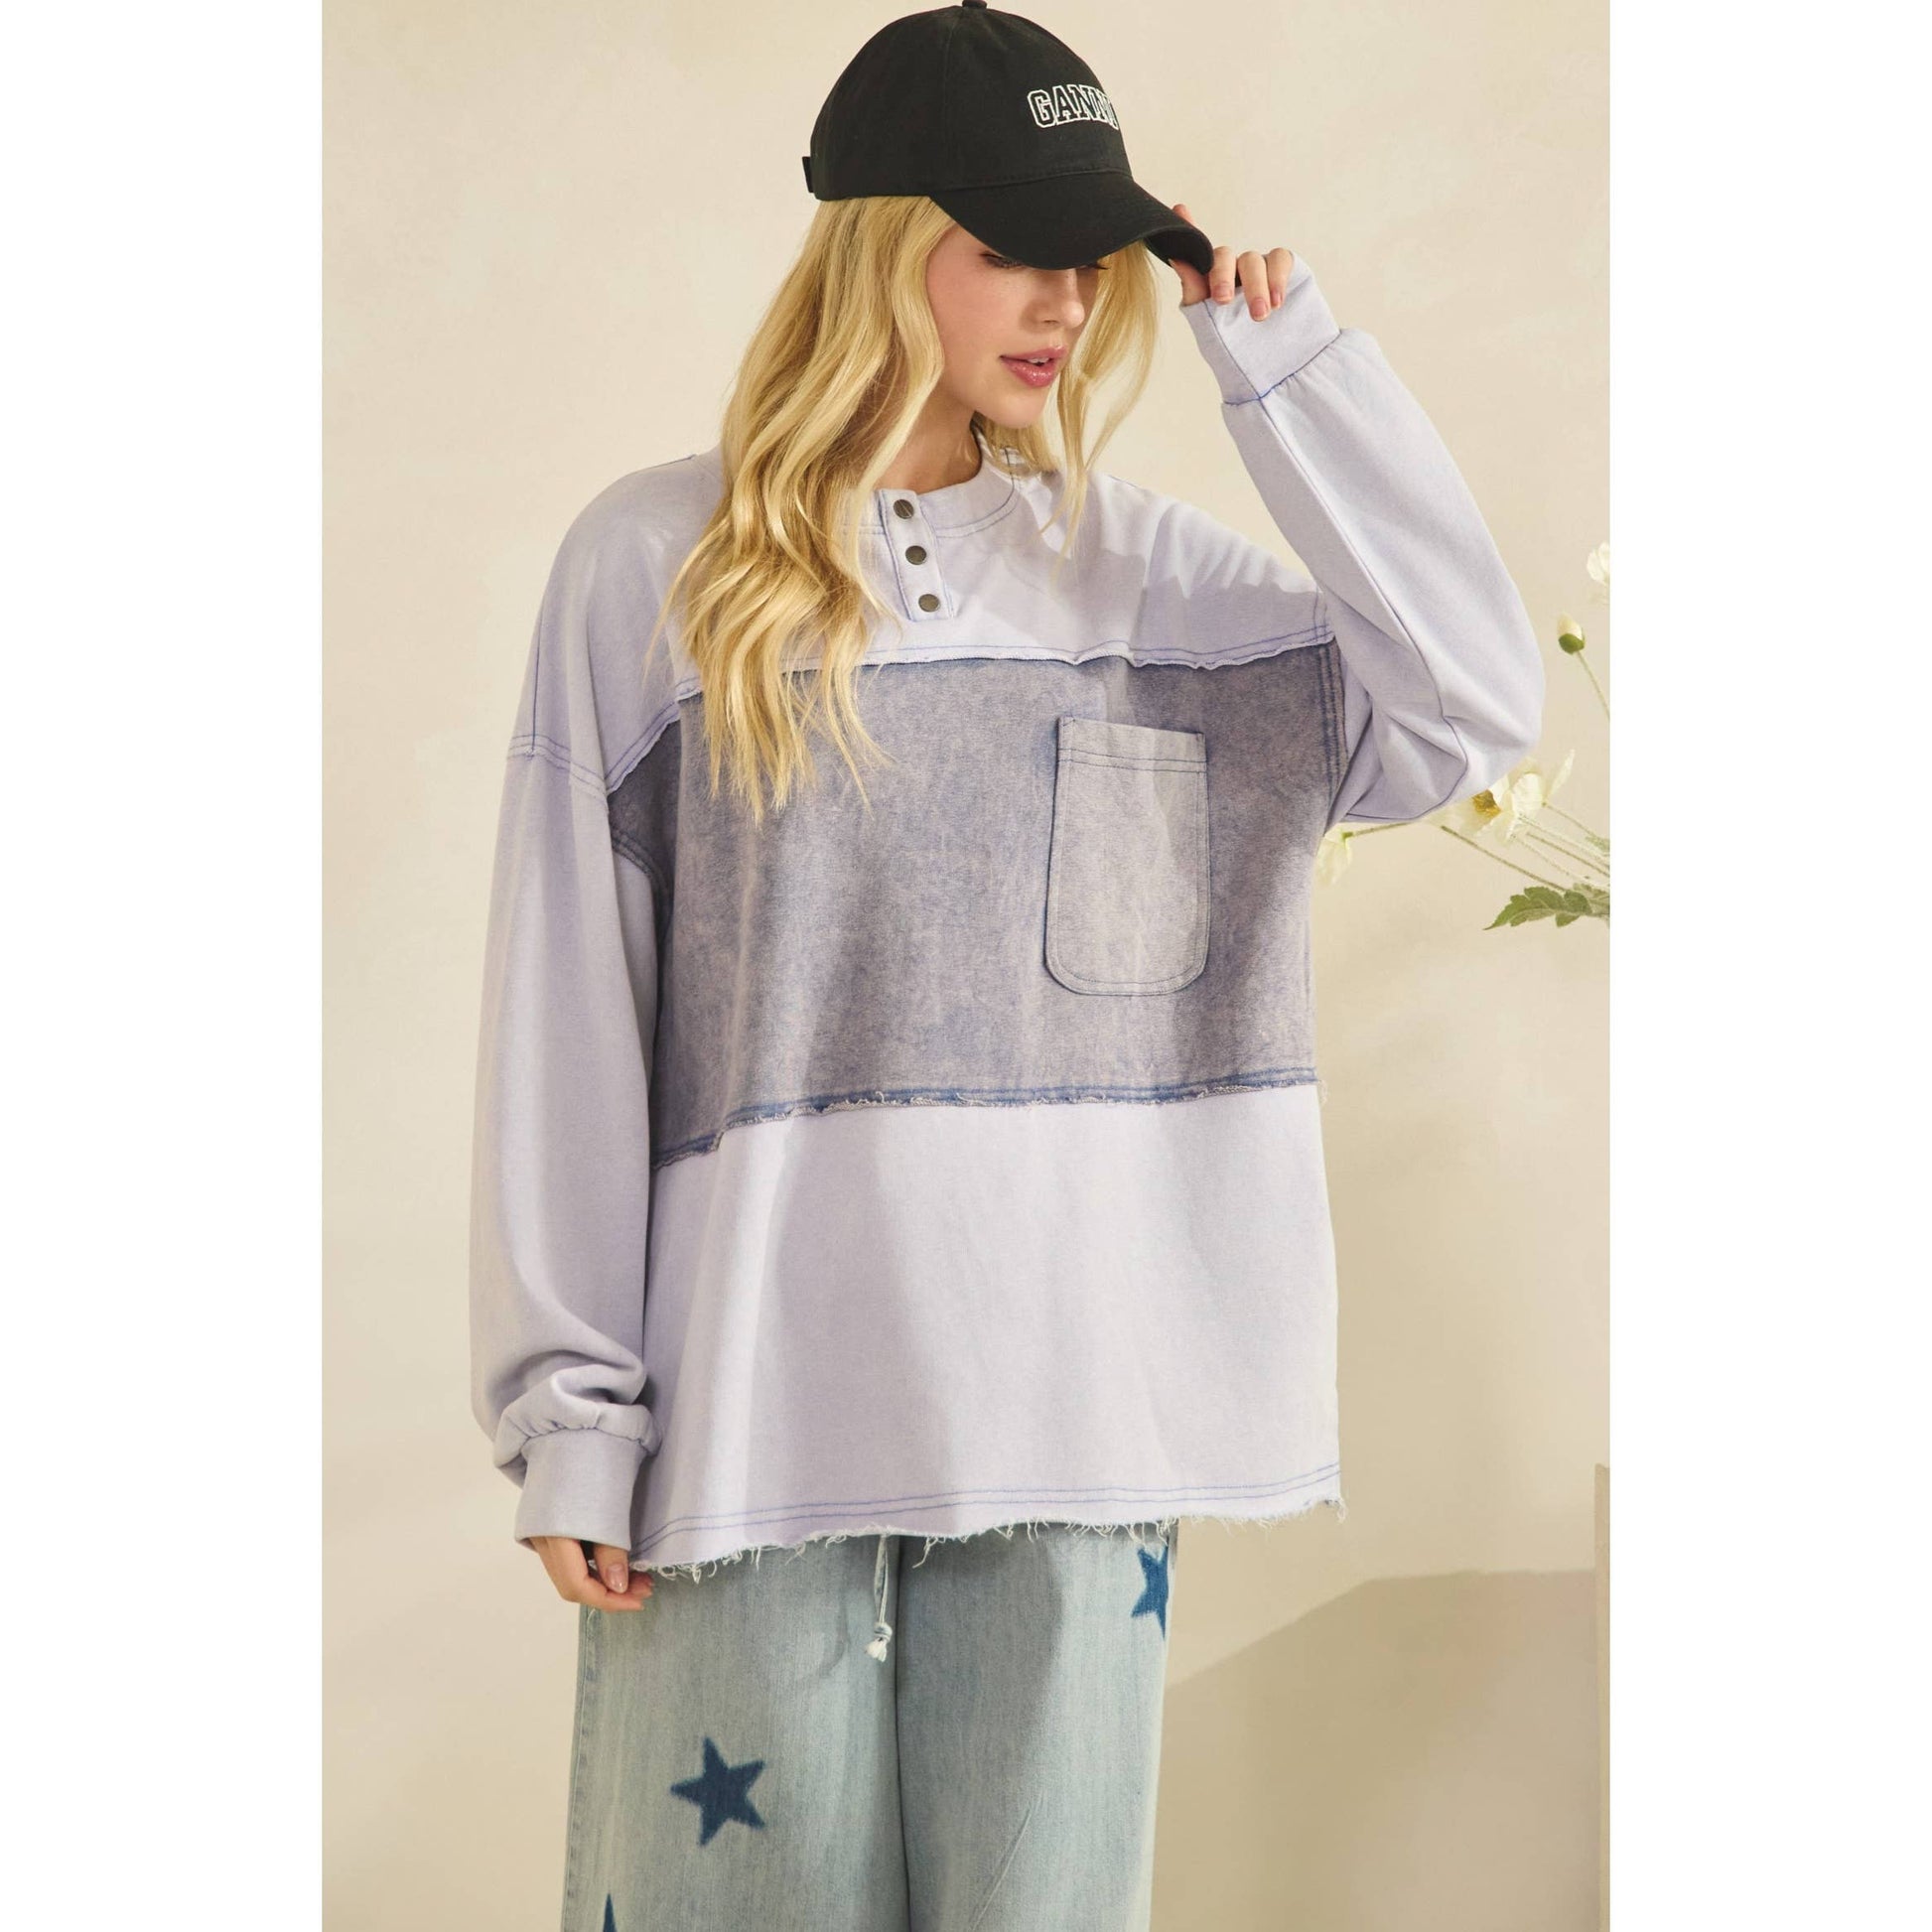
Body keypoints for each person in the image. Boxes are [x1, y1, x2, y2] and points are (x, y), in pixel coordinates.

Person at [467, 5, 1545, 1926]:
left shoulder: (1151, 580)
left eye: (1089, 255)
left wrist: (1290, 374)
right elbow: (568, 1014)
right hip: (754, 1429)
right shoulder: (655, 569)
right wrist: (573, 1414)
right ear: (885, 250)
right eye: (1009, 248)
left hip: (1081, 1425)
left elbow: (1469, 710)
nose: (1064, 300)